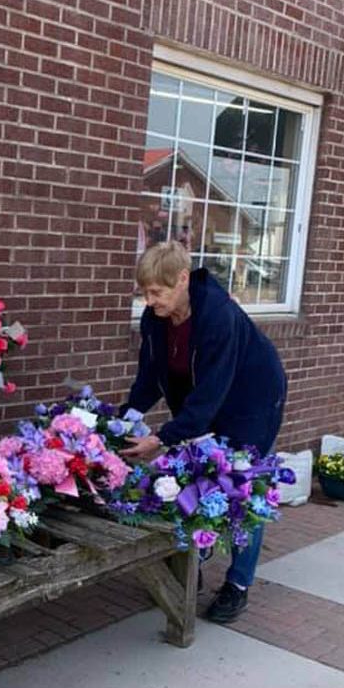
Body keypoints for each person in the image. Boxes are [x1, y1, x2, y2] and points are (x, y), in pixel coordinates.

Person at [123, 240, 287, 623]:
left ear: (182, 279)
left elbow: (210, 395)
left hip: (251, 402)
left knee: (244, 488)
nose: (149, 301)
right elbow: (150, 377)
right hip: (205, 403)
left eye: (157, 292)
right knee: (190, 480)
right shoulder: (156, 319)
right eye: (144, 293)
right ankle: (191, 566)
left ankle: (238, 584)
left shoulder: (218, 317)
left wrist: (162, 438)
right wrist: (125, 417)